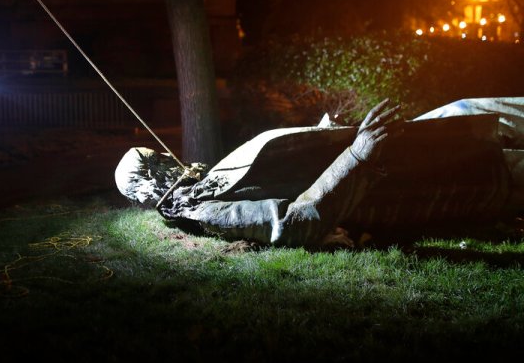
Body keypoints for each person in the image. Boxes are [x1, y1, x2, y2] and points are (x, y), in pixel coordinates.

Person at [115, 97, 523, 248]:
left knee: (465, 109)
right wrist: (356, 154)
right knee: (501, 165)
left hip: (419, 148)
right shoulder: (203, 208)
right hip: (426, 181)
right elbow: (292, 224)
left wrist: (325, 135)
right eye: (158, 162)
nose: (172, 160)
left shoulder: (208, 181)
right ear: (148, 184)